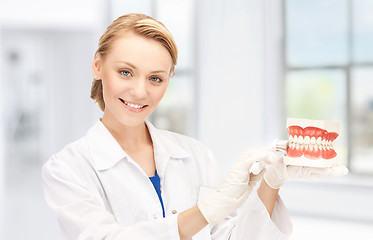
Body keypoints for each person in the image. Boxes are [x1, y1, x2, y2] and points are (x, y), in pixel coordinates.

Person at [42, 13, 348, 240]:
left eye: (155, 78)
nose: (139, 91)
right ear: (98, 66)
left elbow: (229, 237)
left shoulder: (194, 154)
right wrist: (206, 211)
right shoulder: (67, 170)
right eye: (125, 72)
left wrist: (270, 182)